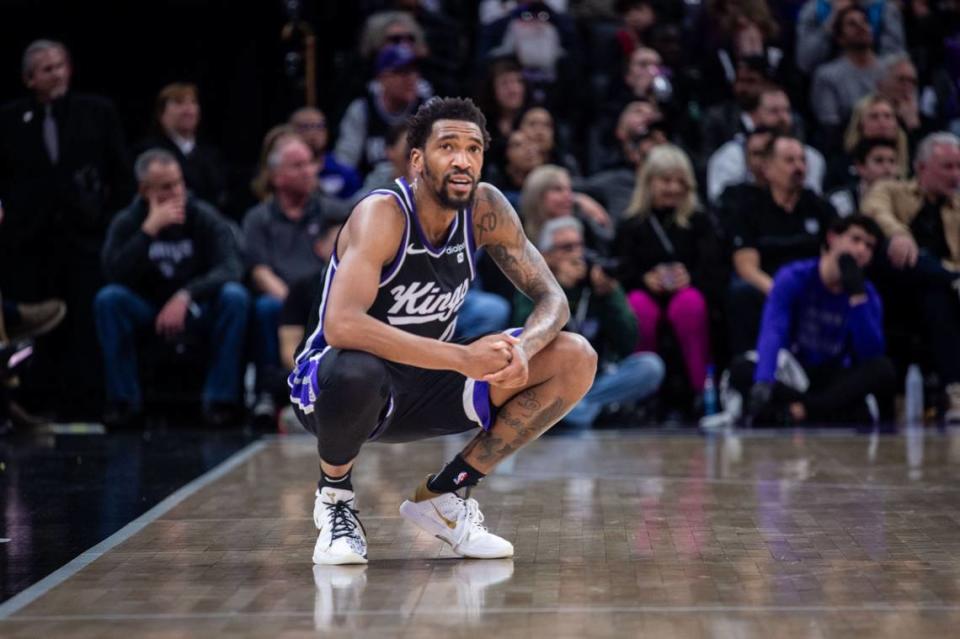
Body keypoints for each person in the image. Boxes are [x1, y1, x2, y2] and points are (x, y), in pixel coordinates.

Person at [288, 97, 596, 565]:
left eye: (473, 149)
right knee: (357, 370)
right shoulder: (383, 214)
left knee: (575, 355)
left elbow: (554, 300)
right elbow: (341, 325)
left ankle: (446, 496)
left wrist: (524, 351)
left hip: (426, 380)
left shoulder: (485, 208)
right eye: (447, 146)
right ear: (417, 160)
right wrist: (460, 358)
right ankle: (334, 499)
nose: (462, 159)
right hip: (336, 385)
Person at [0, 40, 130, 417]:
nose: (56, 74)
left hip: (85, 237)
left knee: (85, 324)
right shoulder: (9, 118)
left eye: (60, 65)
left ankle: (87, 406)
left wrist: (107, 223)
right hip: (28, 243)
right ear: (29, 79)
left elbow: (119, 174)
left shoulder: (97, 112)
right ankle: (30, 404)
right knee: (36, 327)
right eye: (46, 69)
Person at [95, 150, 249, 427]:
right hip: (148, 308)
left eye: (179, 182)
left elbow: (231, 267)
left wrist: (186, 294)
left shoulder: (202, 215)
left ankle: (220, 402)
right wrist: (148, 232)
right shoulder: (128, 221)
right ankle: (124, 403)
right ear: (144, 190)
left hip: (195, 307)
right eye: (166, 187)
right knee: (109, 300)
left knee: (234, 297)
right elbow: (112, 272)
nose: (177, 191)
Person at [730, 215, 895, 424]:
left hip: (834, 376)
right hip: (795, 371)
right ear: (833, 238)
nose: (862, 250)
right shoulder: (794, 276)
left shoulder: (866, 295)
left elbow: (870, 355)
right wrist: (764, 379)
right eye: (856, 240)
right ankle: (818, 410)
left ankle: (801, 411)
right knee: (742, 370)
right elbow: (774, 328)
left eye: (869, 247)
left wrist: (857, 299)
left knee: (884, 370)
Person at [514, 216, 664, 429]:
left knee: (651, 366)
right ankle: (590, 411)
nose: (577, 254)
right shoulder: (532, 283)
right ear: (546, 256)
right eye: (567, 248)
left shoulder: (598, 281)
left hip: (597, 377)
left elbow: (628, 342)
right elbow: (523, 333)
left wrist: (609, 295)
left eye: (579, 245)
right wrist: (556, 292)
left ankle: (576, 411)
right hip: (553, 380)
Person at [243, 134, 348, 422]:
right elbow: (259, 271)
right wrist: (295, 302)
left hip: (326, 295)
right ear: (277, 177)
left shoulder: (330, 209)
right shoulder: (259, 218)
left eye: (310, 164)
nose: (308, 171)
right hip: (282, 296)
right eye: (298, 166)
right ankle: (266, 394)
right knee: (266, 308)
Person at [612, 144, 723, 403]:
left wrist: (690, 277)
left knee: (689, 305)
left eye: (679, 181)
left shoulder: (700, 221)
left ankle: (701, 391)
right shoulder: (632, 225)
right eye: (665, 180)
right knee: (639, 307)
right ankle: (643, 394)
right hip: (645, 294)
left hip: (689, 294)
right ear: (648, 182)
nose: (673, 188)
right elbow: (621, 270)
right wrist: (644, 279)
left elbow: (715, 268)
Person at [861, 131, 960, 421]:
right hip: (895, 283)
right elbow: (874, 211)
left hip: (938, 293)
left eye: (959, 167)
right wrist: (900, 235)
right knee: (906, 257)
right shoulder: (891, 190)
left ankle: (954, 390)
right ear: (920, 168)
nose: (955, 175)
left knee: (936, 296)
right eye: (947, 167)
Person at [727, 134, 838, 355]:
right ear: (767, 169)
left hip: (814, 284)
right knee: (740, 293)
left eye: (802, 160)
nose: (798, 167)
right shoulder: (748, 209)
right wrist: (780, 292)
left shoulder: (820, 207)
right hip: (768, 286)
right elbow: (746, 267)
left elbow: (834, 254)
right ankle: (746, 369)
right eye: (789, 161)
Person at [707, 85, 825, 204]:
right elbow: (720, 204)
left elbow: (812, 202)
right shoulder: (731, 156)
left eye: (787, 111)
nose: (783, 117)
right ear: (754, 115)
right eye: (774, 111)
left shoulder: (809, 156)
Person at [334, 44, 429, 176]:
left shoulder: (428, 109)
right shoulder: (362, 110)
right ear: (382, 78)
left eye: (413, 71)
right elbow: (344, 163)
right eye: (402, 72)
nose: (411, 79)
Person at [136, 83, 227, 212]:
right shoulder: (149, 152)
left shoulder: (211, 154)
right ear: (162, 114)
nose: (188, 110)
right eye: (179, 103)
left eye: (193, 103)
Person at [289, 107, 361, 201]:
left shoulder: (344, 172)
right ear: (291, 131)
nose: (313, 133)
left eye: (319, 126)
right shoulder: (285, 172)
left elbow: (356, 205)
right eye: (306, 127)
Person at [827, 137, 900, 217]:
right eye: (879, 160)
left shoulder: (906, 200)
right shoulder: (840, 200)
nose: (887, 167)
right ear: (860, 167)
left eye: (892, 161)